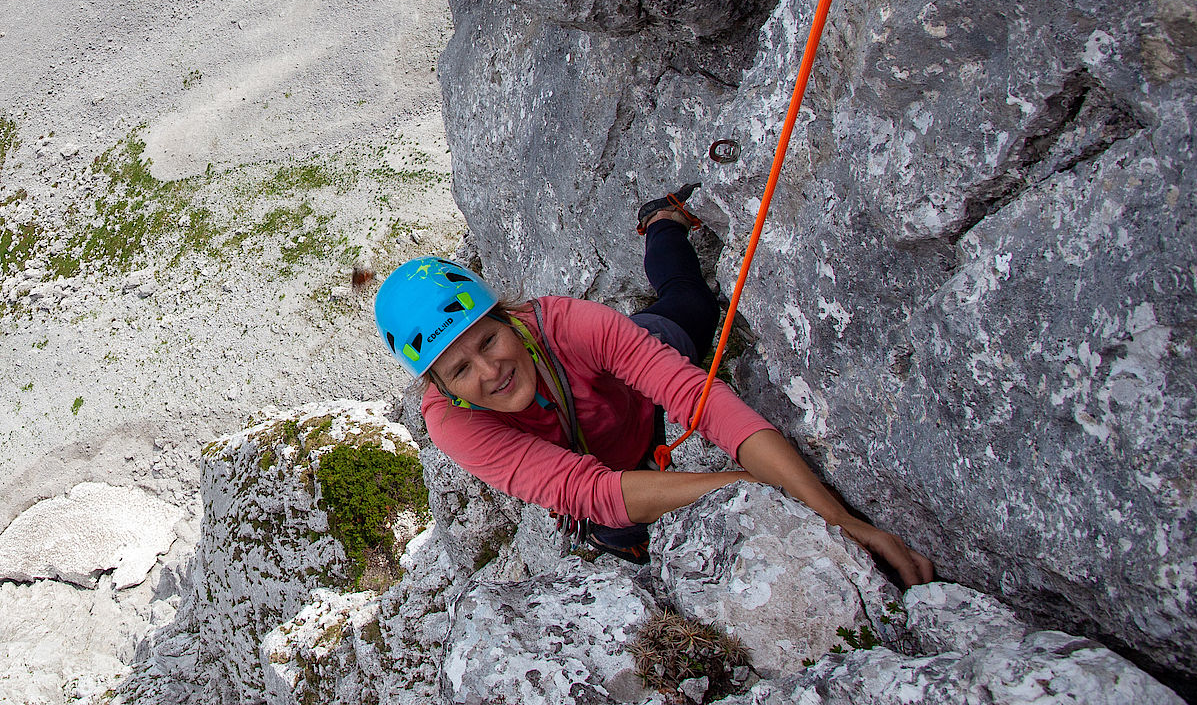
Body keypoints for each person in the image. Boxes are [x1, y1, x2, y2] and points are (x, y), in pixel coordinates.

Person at [374, 185, 934, 585]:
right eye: (460, 370)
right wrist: (743, 482)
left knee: (691, 305)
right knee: (621, 537)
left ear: (510, 319)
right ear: (442, 388)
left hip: (640, 395)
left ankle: (662, 222)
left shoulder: (570, 325)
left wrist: (838, 518)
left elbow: (699, 399)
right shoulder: (454, 423)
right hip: (611, 474)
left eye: (488, 341)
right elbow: (588, 493)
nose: (489, 371)